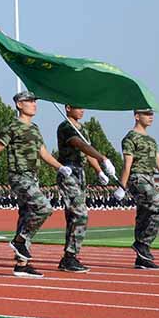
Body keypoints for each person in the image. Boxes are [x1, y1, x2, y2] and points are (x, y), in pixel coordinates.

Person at [0, 91, 74, 279]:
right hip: (19, 176)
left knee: (25, 218)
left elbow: (43, 153)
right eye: (29, 101)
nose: (34, 104)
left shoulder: (35, 128)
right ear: (19, 105)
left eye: (34, 101)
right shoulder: (12, 127)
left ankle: (21, 265)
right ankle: (19, 240)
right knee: (44, 208)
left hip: (33, 177)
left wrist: (60, 167)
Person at [54, 105, 117, 273]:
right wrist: (103, 158)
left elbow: (87, 152)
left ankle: (69, 257)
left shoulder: (84, 129)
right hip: (68, 171)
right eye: (78, 107)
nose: (82, 110)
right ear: (68, 108)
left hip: (80, 173)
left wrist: (99, 170)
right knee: (79, 213)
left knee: (74, 216)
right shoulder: (66, 126)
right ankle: (70, 256)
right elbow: (79, 144)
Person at [119, 108, 159, 269]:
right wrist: (122, 186)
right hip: (138, 179)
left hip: (149, 179)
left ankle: (141, 259)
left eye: (151, 114)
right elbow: (127, 164)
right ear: (137, 116)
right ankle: (142, 244)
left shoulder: (151, 140)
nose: (151, 117)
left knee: (144, 216)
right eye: (146, 114)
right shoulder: (130, 137)